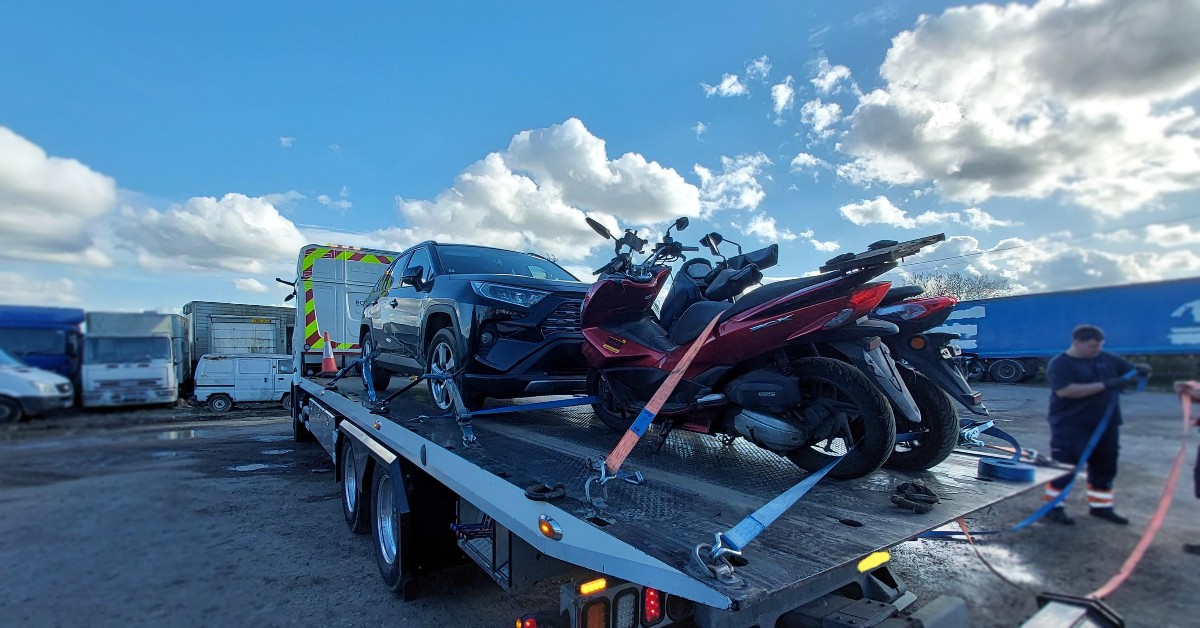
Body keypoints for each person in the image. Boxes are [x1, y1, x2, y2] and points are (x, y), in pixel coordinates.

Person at [1042, 324, 1150, 525]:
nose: (1097, 350)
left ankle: (1101, 507)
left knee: (1105, 465)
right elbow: (1065, 391)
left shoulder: (1107, 359)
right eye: (1092, 346)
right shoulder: (1061, 364)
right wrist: (1105, 385)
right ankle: (1053, 507)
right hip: (1070, 424)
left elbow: (1129, 372)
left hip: (1106, 423)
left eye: (1099, 345)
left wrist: (1140, 371)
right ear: (1077, 343)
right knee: (1065, 466)